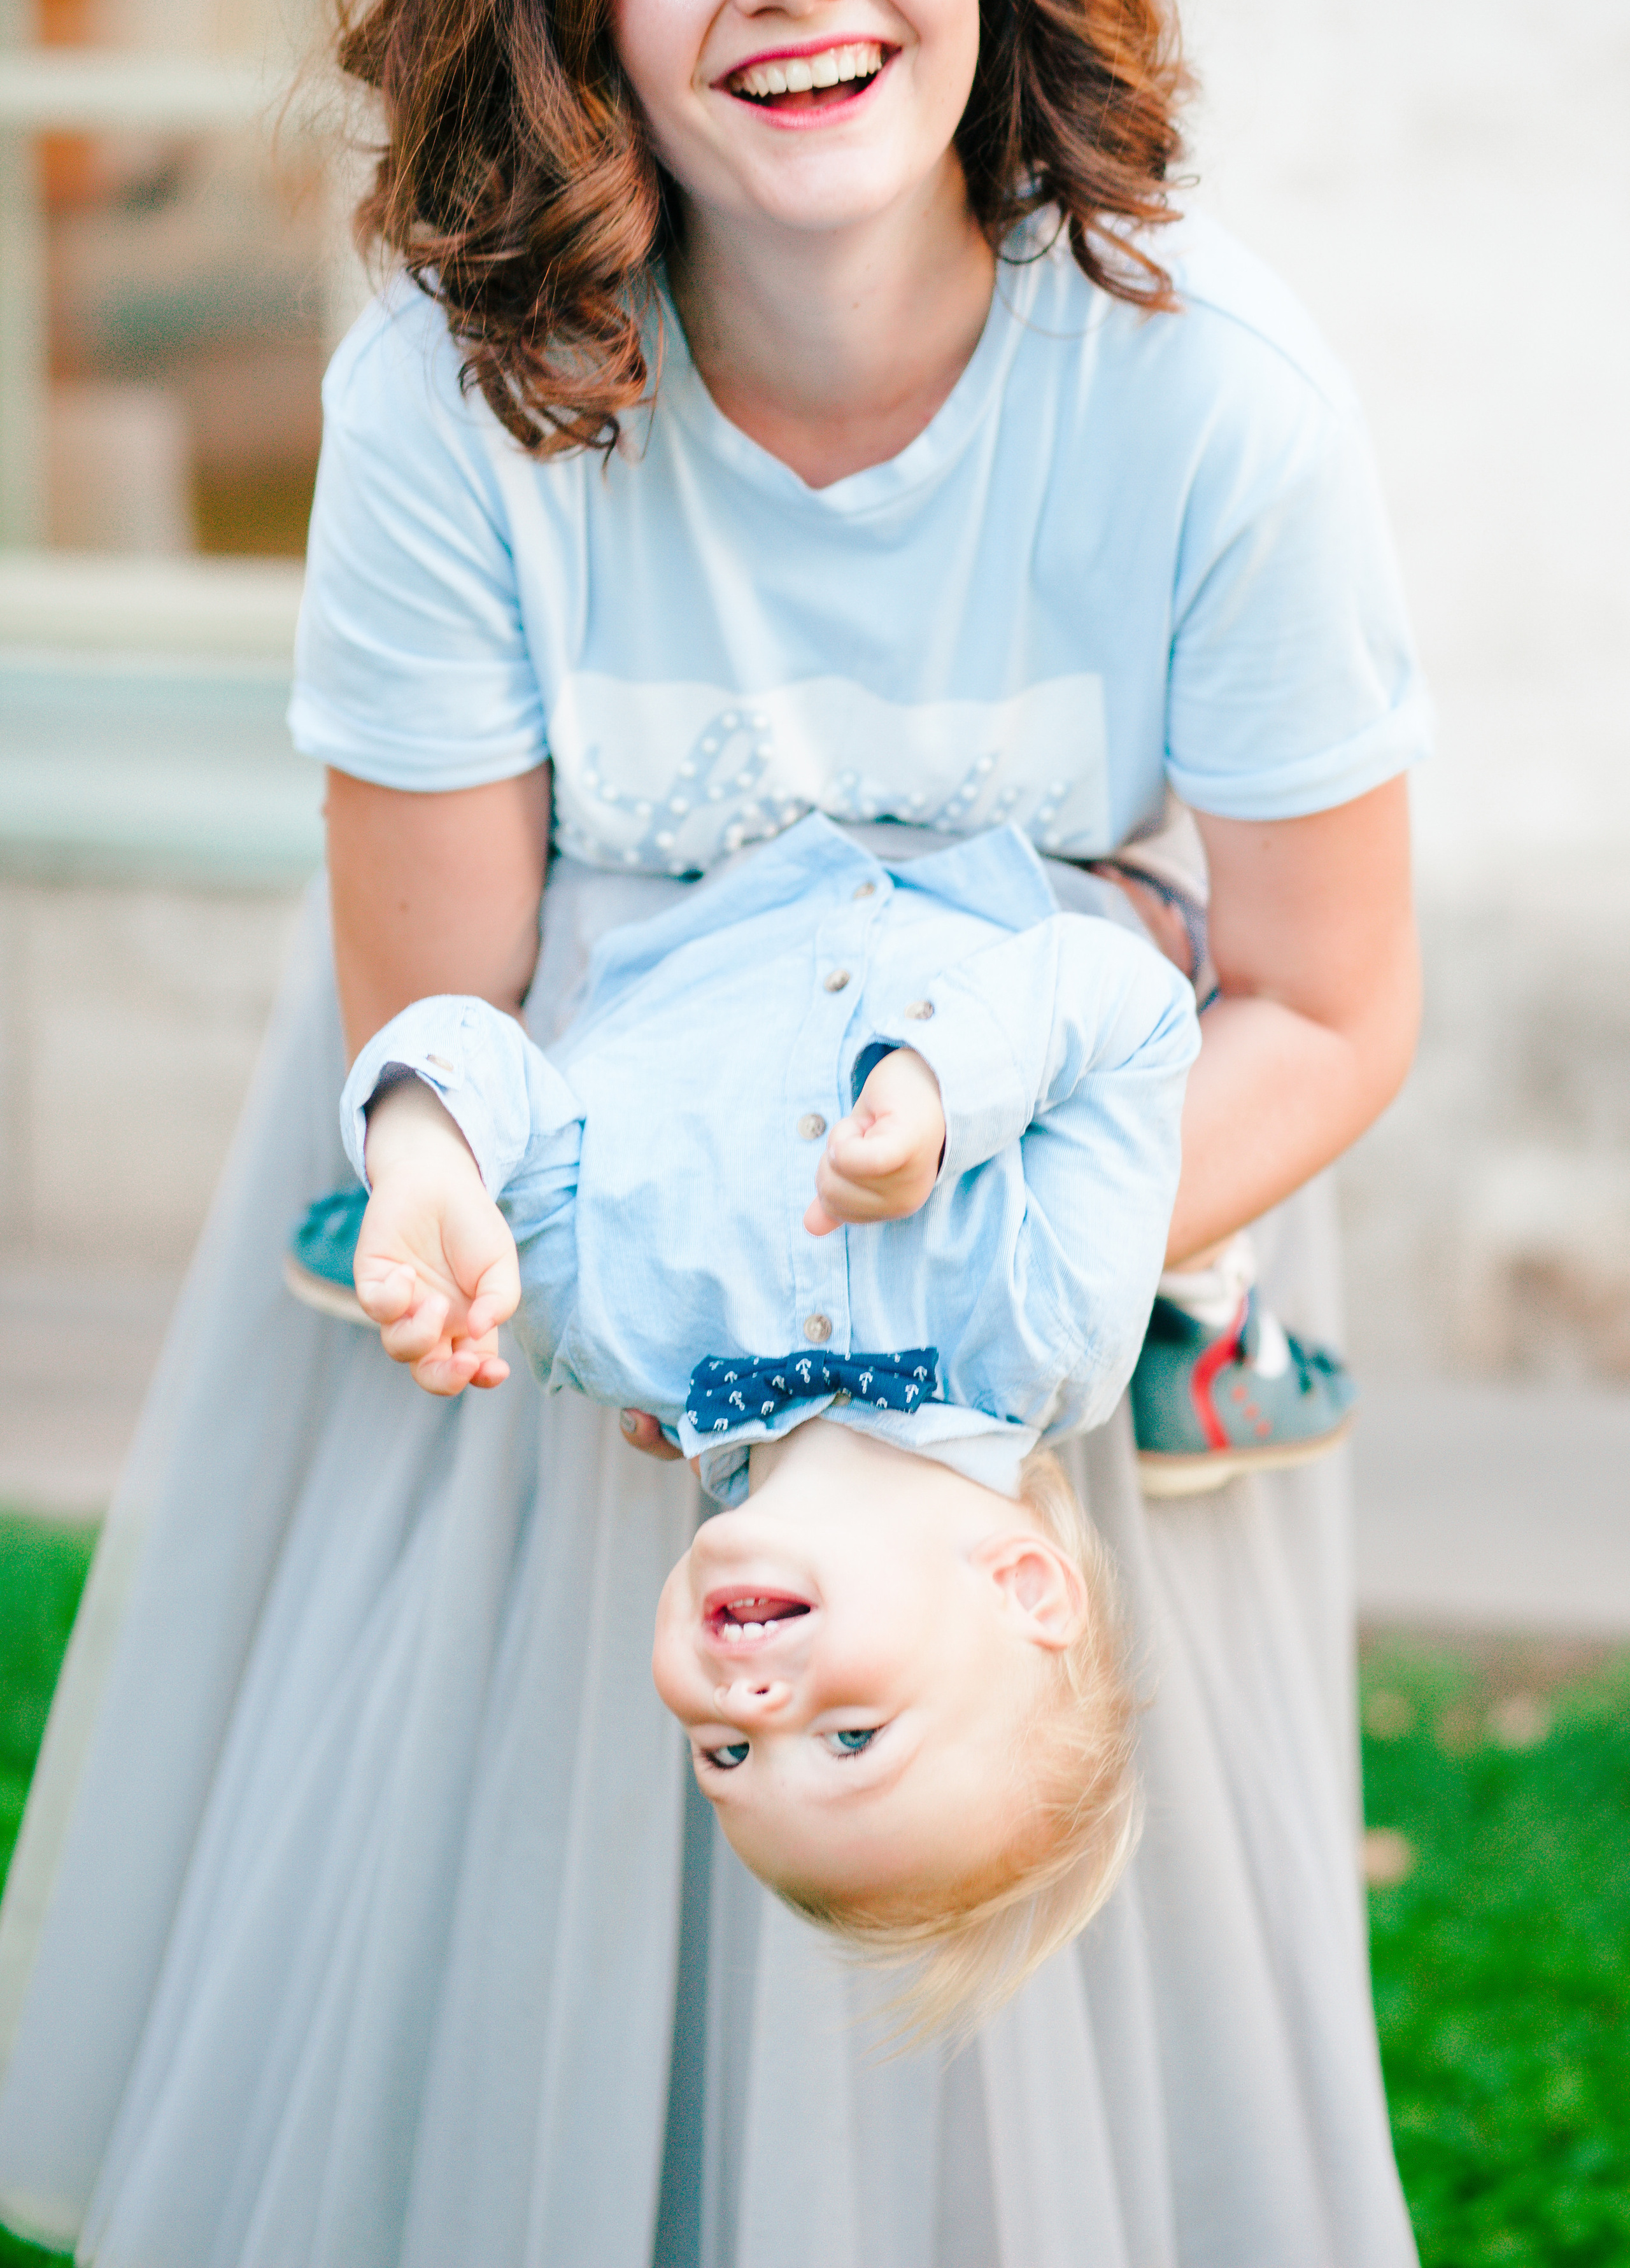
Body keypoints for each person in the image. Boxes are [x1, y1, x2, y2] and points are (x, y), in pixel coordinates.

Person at [0, 0, 1429, 2260]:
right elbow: (438, 1008)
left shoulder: (1217, 406)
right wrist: (487, 1207)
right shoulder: (451, 411)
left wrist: (972, 1299)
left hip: (1057, 1199)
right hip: (595, 1223)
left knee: (961, 1858)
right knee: (530, 1922)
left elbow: (1328, 1001)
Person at [339, 810, 1201, 2027]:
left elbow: (477, 1047)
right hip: (978, 822)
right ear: (1025, 1589)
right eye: (853, 1738)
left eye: (727, 1764)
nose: (750, 1715)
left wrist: (427, 1156)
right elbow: (1137, 1010)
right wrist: (949, 1087)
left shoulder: (602, 1332)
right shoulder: (1055, 1329)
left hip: (683, 836)